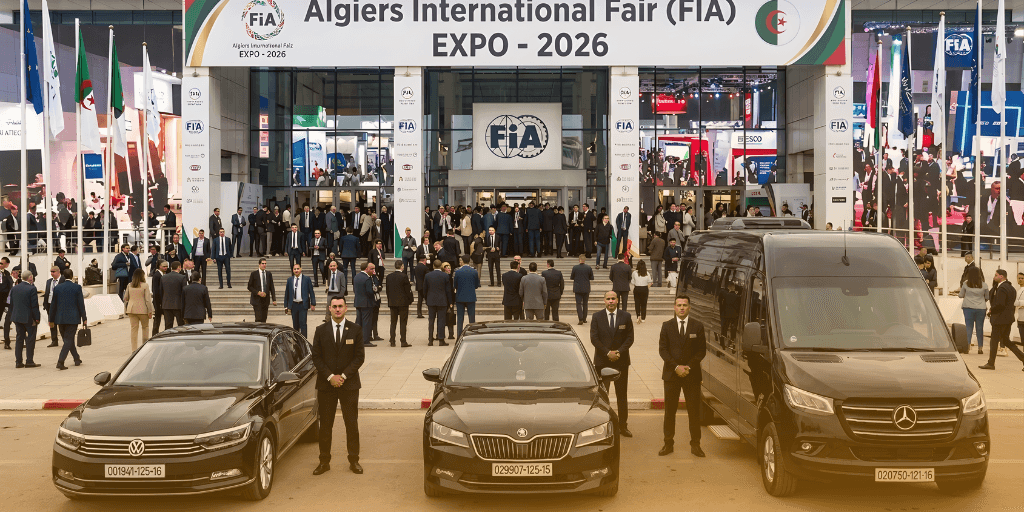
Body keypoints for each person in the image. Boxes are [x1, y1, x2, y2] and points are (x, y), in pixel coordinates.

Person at [311, 296, 365, 476]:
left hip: (349, 385)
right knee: (325, 425)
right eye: (334, 306)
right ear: (329, 308)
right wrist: (329, 377)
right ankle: (324, 461)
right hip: (327, 386)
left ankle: (354, 460)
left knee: (351, 424)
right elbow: (316, 357)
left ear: (346, 308)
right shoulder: (320, 330)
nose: (337, 309)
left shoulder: (356, 329)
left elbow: (359, 357)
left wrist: (342, 376)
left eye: (340, 306)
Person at [659, 296, 707, 457]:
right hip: (671, 375)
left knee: (694, 412)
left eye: (684, 305)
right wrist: (676, 367)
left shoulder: (697, 326)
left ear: (689, 307)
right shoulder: (667, 326)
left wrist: (689, 367)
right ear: (674, 307)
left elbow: (701, 351)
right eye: (679, 305)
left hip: (691, 375)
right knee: (669, 412)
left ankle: (696, 445)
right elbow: (663, 350)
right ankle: (668, 443)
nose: (681, 308)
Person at [590, 291, 634, 438]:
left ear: (617, 300)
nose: (610, 301)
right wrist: (607, 352)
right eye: (608, 299)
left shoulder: (626, 316)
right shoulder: (597, 317)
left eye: (613, 299)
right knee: (603, 396)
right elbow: (594, 338)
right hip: (602, 362)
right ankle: (602, 427)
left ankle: (623, 426)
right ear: (604, 301)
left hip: (621, 362)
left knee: (622, 395)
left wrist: (618, 352)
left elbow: (629, 338)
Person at [979, 269, 1024, 371]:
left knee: (994, 341)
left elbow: (1000, 304)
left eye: (996, 275)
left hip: (1000, 319)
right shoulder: (1011, 288)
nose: (994, 277)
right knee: (1006, 341)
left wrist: (991, 310)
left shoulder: (1002, 288)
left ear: (1001, 277)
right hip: (1008, 319)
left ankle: (991, 363)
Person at [50, 269, 86, 371]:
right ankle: (60, 361)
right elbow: (81, 304)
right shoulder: (77, 287)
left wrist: (51, 319)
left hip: (60, 319)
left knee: (67, 340)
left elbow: (53, 305)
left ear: (63, 276)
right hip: (73, 318)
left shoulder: (57, 288)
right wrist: (84, 318)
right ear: (72, 276)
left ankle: (76, 358)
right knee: (68, 340)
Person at [11, 270, 40, 368]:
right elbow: (34, 305)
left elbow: (12, 303)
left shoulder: (15, 288)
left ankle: (18, 362)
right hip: (28, 318)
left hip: (17, 317)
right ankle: (29, 361)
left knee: (19, 339)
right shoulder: (32, 288)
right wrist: (37, 318)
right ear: (30, 277)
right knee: (30, 339)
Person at [123, 269, 155, 351]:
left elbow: (125, 298)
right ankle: (144, 348)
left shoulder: (129, 285)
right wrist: (150, 311)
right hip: (143, 310)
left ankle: (134, 349)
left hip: (131, 310)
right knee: (145, 328)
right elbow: (148, 300)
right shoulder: (145, 285)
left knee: (134, 329)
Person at [423, 259, 451, 346]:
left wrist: (426, 299)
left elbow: (424, 289)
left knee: (431, 320)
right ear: (440, 266)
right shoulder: (445, 276)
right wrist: (450, 302)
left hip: (431, 301)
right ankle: (441, 339)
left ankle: (430, 340)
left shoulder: (428, 275)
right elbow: (448, 290)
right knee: (441, 320)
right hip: (442, 301)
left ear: (433, 266)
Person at [385, 261, 413, 347]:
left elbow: (387, 290)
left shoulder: (389, 276)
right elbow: (408, 290)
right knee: (403, 322)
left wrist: (390, 300)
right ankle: (403, 341)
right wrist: (411, 299)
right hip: (403, 303)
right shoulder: (404, 276)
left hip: (393, 302)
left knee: (393, 322)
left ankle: (392, 340)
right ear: (401, 266)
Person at [285, 263, 316, 338]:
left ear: (301, 269)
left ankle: (304, 340)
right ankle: (297, 340)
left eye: (298, 269)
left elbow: (311, 291)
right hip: (294, 305)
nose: (296, 270)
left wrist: (313, 303)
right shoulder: (290, 280)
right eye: (295, 269)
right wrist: (286, 306)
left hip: (303, 304)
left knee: (303, 324)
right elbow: (287, 293)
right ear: (293, 270)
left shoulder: (306, 279)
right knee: (295, 325)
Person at [452, 255, 480, 334]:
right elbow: (477, 285)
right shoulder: (474, 271)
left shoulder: (457, 272)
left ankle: (459, 335)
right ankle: (472, 334)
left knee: (460, 318)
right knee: (472, 318)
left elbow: (455, 285)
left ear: (462, 261)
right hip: (471, 297)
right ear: (469, 261)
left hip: (460, 297)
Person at [247, 258, 277, 323]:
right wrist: (258, 293)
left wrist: (274, 299)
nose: (264, 265)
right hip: (256, 300)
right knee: (258, 319)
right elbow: (249, 287)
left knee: (264, 319)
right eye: (262, 263)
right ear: (259, 265)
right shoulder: (254, 274)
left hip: (266, 300)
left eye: (265, 263)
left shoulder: (269, 274)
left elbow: (272, 287)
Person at [41, 266, 63, 347]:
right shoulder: (49, 281)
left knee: (61, 323)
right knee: (52, 323)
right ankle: (54, 340)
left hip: (59, 305)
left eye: (53, 271)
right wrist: (45, 304)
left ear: (58, 271)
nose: (51, 273)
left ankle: (65, 339)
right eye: (51, 271)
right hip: (50, 305)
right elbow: (47, 293)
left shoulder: (63, 280)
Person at [160, 261, 187, 328]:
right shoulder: (182, 277)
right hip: (179, 305)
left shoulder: (163, 277)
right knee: (181, 325)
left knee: (168, 326)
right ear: (179, 267)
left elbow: (161, 292)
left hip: (166, 304)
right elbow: (184, 292)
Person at [570, 255, 594, 326]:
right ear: (585, 260)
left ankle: (580, 319)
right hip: (586, 288)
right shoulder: (589, 267)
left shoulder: (575, 267)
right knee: (585, 304)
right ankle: (584, 318)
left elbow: (572, 277)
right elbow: (591, 277)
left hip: (577, 288)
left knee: (578, 304)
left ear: (579, 259)